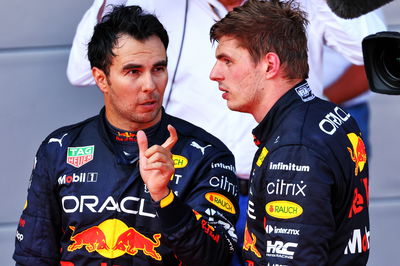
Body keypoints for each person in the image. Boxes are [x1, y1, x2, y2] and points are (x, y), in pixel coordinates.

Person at [13, 6, 239, 265]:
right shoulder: (59, 148)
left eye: (158, 69)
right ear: (101, 79)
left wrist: (165, 198)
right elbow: (33, 256)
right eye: (133, 71)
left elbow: (216, 259)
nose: (150, 85)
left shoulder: (206, 155)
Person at [209, 0, 369, 265]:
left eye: (227, 60)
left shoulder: (293, 148)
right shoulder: (331, 115)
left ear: (270, 65)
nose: (215, 74)